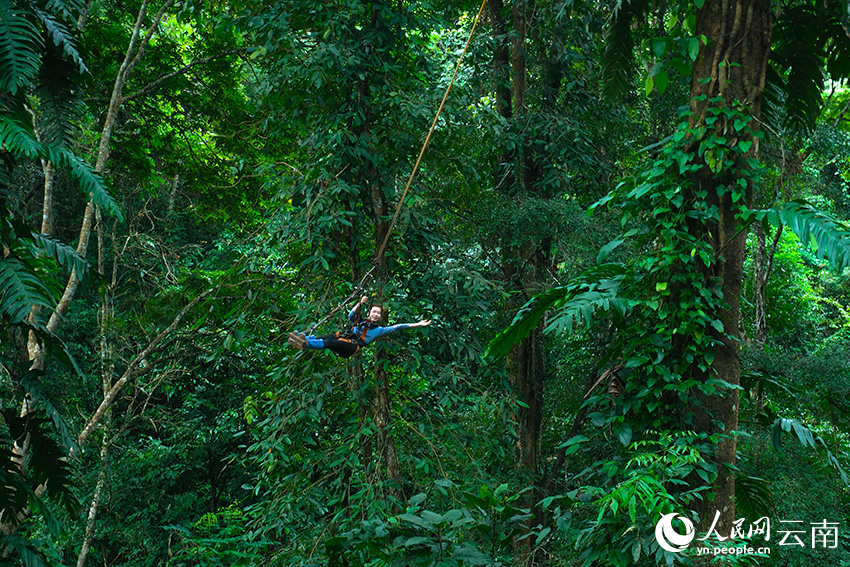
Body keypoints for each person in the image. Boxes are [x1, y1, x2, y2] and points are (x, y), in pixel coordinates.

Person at [288, 296, 431, 358]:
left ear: (380, 317)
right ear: (369, 313)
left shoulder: (379, 330)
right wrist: (360, 303)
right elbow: (351, 315)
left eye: (378, 313)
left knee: (330, 342)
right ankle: (303, 340)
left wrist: (417, 324)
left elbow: (398, 327)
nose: (375, 315)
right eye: (374, 312)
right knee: (327, 337)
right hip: (344, 339)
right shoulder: (359, 321)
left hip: (352, 347)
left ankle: (307, 344)